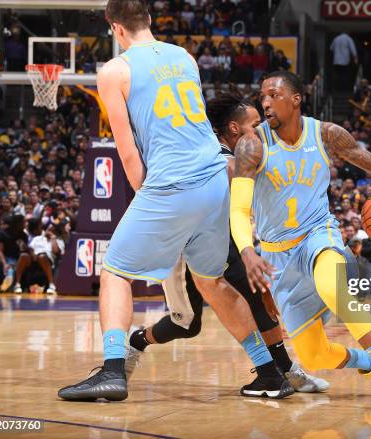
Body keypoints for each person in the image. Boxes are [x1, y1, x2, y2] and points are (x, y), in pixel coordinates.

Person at [58, 0, 291, 402]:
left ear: (115, 28)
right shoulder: (184, 57)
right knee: (211, 281)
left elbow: (127, 148)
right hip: (216, 175)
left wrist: (145, 198)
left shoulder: (113, 71)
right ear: (149, 20)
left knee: (114, 270)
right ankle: (269, 373)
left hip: (172, 182)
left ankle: (113, 369)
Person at [231, 70, 371, 414]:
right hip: (277, 258)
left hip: (319, 236)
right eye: (262, 97)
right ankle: (368, 362)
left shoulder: (327, 134)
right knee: (314, 355)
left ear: (296, 98)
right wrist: (247, 251)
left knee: (334, 288)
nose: (266, 102)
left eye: (273, 95)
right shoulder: (251, 144)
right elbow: (240, 209)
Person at [126, 89, 329, 394]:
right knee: (186, 324)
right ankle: (136, 341)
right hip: (184, 249)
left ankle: (283, 372)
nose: (262, 129)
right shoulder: (220, 162)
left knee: (259, 297)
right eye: (255, 123)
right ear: (234, 129)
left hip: (221, 243)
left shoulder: (240, 158)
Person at [13, 219, 64, 294]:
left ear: (55, 232)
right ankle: (17, 284)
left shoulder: (59, 240)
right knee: (23, 255)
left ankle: (51, 285)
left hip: (47, 261)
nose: (48, 230)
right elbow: (30, 249)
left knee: (42, 256)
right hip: (33, 259)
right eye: (48, 228)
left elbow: (56, 252)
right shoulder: (37, 238)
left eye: (51, 229)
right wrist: (29, 251)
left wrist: (53, 238)